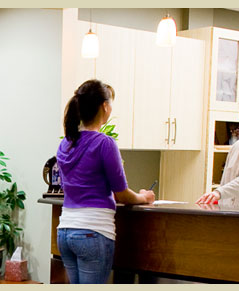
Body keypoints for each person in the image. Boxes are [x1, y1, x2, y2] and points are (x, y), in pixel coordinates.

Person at [56, 79, 155, 284]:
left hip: (65, 231)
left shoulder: (65, 144)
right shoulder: (104, 143)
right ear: (105, 106)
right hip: (93, 231)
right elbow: (122, 193)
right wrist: (144, 197)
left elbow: (71, 187)